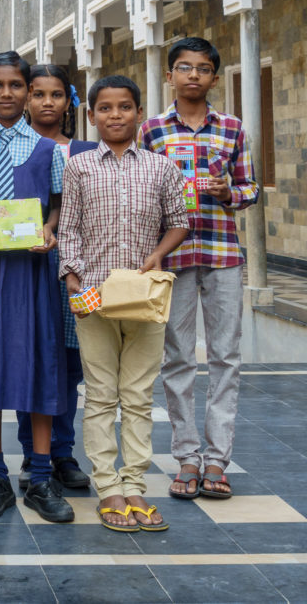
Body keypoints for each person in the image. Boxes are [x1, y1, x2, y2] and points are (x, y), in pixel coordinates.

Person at [60, 75, 189, 531]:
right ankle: (108, 488)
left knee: (136, 395)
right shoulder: (78, 167)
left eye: (125, 107)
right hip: (93, 293)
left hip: (143, 295)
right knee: (99, 395)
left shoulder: (161, 168)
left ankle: (135, 486)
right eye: (106, 108)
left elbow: (179, 221)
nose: (116, 115)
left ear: (139, 112)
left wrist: (158, 255)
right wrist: (73, 280)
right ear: (91, 115)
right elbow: (69, 227)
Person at [0, 51, 74, 523]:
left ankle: (41, 478)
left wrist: (51, 228)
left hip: (33, 271)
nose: (7, 93)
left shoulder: (49, 153)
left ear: (28, 92)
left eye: (15, 85)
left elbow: (61, 205)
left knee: (40, 361)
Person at [141, 37, 258, 502]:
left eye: (203, 68)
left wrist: (228, 191)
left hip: (223, 256)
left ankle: (217, 460)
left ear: (214, 76)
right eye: (184, 67)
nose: (193, 75)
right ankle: (187, 456)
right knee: (178, 359)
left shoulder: (232, 128)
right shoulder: (151, 131)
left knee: (226, 357)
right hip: (173, 259)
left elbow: (250, 190)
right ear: (169, 75)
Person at [17, 63, 95, 491]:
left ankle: (62, 452)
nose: (47, 102)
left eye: (56, 94)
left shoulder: (84, 152)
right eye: (38, 93)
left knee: (67, 365)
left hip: (76, 270)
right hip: (25, 267)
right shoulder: (14, 149)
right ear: (27, 99)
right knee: (30, 359)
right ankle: (33, 451)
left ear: (70, 100)